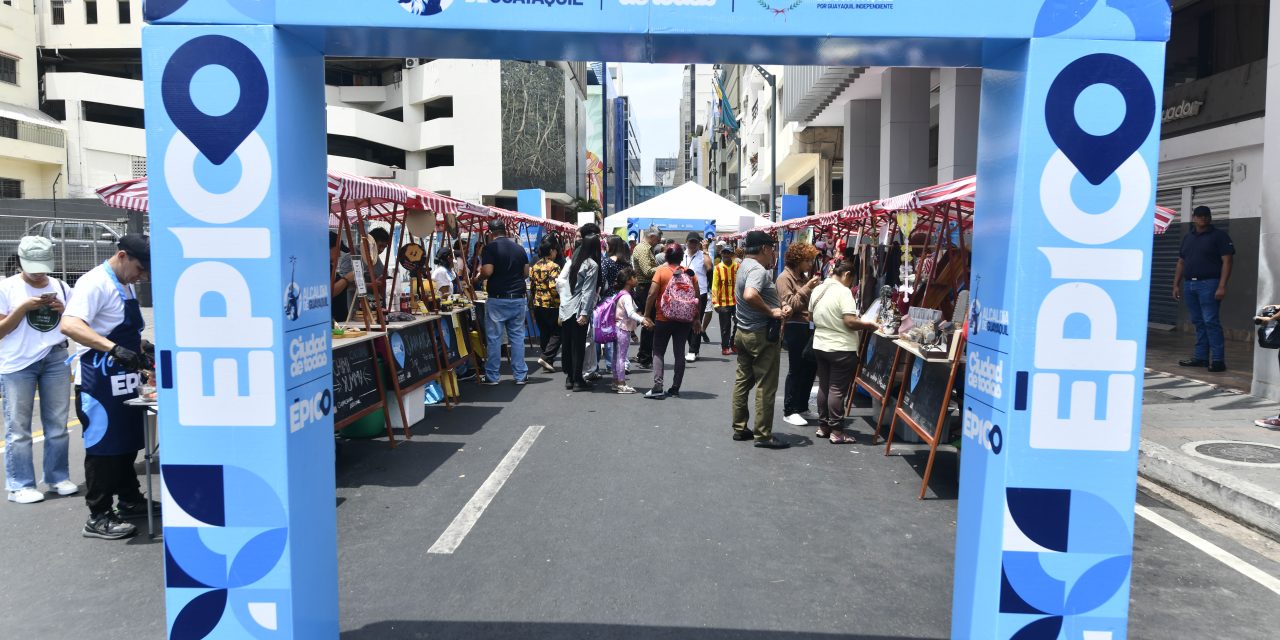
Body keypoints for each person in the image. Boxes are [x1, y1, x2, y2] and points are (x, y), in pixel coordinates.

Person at [60, 234, 156, 540]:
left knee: (126, 443)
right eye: (140, 268)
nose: (141, 276)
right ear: (123, 255)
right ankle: (98, 515)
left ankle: (129, 499)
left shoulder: (124, 282)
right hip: (97, 382)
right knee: (103, 448)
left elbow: (115, 326)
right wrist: (113, 349)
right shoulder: (94, 283)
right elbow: (71, 325)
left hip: (123, 378)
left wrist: (140, 346)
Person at [1, 237, 75, 504]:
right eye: (33, 266)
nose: (38, 272)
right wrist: (22, 308)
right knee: (18, 427)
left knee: (57, 424)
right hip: (18, 363)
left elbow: (75, 322)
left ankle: (57, 477)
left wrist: (63, 309)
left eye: (43, 266)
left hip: (55, 357)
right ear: (20, 261)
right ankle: (20, 485)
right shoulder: (6, 287)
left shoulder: (61, 286)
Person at [732, 231, 791, 449]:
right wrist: (772, 312)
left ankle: (739, 427)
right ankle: (763, 434)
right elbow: (749, 294)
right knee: (765, 386)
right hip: (759, 334)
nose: (774, 253)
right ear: (765, 248)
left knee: (742, 381)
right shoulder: (757, 269)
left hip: (744, 331)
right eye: (772, 248)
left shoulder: (744, 265)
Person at [811, 262, 880, 443]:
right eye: (851, 279)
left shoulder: (818, 289)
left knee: (824, 386)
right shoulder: (843, 292)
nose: (851, 283)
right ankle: (837, 431)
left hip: (820, 344)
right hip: (841, 347)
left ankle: (823, 426)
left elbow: (810, 316)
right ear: (847, 274)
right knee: (836, 389)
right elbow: (850, 321)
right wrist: (868, 324)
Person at [1173, 205, 1235, 372]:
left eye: (1206, 215)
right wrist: (1176, 284)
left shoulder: (1219, 236)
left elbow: (1227, 261)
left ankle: (1217, 360)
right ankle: (1200, 358)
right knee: (1198, 322)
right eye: (1199, 216)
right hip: (1189, 285)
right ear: (1193, 218)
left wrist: (1222, 286)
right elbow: (1181, 262)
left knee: (1210, 322)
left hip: (1209, 284)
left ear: (1210, 217)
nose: (1203, 218)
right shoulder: (1188, 238)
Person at [477, 219, 530, 385]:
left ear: (490, 233)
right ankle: (520, 375)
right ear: (505, 231)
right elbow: (526, 273)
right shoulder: (519, 248)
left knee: (494, 338)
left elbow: (488, 270)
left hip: (498, 299)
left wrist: (478, 278)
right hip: (518, 298)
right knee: (517, 338)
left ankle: (492, 376)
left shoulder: (490, 248)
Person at [643, 245, 700, 399]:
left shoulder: (661, 272)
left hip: (663, 318)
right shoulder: (689, 273)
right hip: (684, 320)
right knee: (679, 353)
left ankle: (658, 386)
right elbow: (697, 297)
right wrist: (696, 318)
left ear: (666, 257)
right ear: (681, 257)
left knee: (659, 351)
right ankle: (675, 388)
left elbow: (652, 293)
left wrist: (647, 315)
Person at [777, 242, 822, 426]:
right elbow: (790, 305)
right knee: (796, 368)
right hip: (794, 326)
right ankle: (790, 410)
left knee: (810, 367)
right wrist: (808, 288)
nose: (810, 264)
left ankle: (802, 406)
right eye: (808, 260)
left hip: (808, 325)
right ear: (798, 260)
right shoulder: (784, 278)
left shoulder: (802, 277)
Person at [559, 225, 601, 391]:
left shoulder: (574, 259)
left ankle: (569, 377)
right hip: (578, 309)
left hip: (567, 306)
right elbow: (588, 291)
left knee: (568, 344)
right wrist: (584, 313)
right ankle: (578, 380)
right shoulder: (592, 265)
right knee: (578, 345)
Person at [611, 267, 652, 394]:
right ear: (629, 280)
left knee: (616, 356)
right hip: (623, 329)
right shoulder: (626, 296)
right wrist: (643, 320)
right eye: (634, 277)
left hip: (616, 327)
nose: (636, 279)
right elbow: (631, 313)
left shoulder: (620, 294)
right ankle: (622, 384)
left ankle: (616, 382)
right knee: (621, 357)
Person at [630, 226, 661, 369]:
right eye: (658, 237)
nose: (659, 241)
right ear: (652, 236)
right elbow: (648, 271)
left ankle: (644, 354)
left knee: (647, 322)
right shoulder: (643, 249)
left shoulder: (645, 248)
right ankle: (645, 357)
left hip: (645, 287)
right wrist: (663, 267)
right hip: (645, 288)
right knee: (648, 322)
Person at [530, 239, 563, 373]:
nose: (556, 252)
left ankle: (547, 360)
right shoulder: (554, 266)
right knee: (558, 332)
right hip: (551, 303)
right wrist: (560, 301)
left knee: (544, 332)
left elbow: (532, 286)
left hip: (538, 303)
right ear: (551, 251)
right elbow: (554, 287)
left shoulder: (535, 266)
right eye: (555, 250)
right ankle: (546, 356)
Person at [681, 232, 713, 363]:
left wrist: (705, 250)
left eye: (695, 242)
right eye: (691, 242)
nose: (693, 244)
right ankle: (695, 348)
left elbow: (709, 267)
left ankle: (693, 350)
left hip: (700, 292)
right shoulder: (682, 255)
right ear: (686, 242)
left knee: (696, 320)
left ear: (699, 243)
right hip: (683, 292)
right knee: (686, 322)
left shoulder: (703, 255)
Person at [711, 244, 739, 356]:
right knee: (725, 326)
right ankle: (725, 346)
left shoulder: (738, 267)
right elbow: (714, 286)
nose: (726, 255)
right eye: (724, 253)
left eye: (729, 253)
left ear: (732, 255)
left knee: (739, 323)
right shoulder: (717, 268)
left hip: (737, 301)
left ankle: (733, 342)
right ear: (721, 254)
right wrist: (715, 302)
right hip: (723, 302)